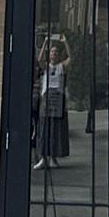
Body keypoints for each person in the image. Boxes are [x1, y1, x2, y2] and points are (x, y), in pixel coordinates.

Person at [34, 38, 72, 169]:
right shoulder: (46, 67)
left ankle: (53, 158)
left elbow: (71, 58)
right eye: (51, 52)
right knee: (44, 128)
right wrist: (45, 42)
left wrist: (65, 42)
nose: (54, 54)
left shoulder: (62, 66)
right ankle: (43, 158)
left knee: (56, 130)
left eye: (56, 53)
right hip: (47, 98)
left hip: (58, 100)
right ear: (49, 54)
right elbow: (39, 60)